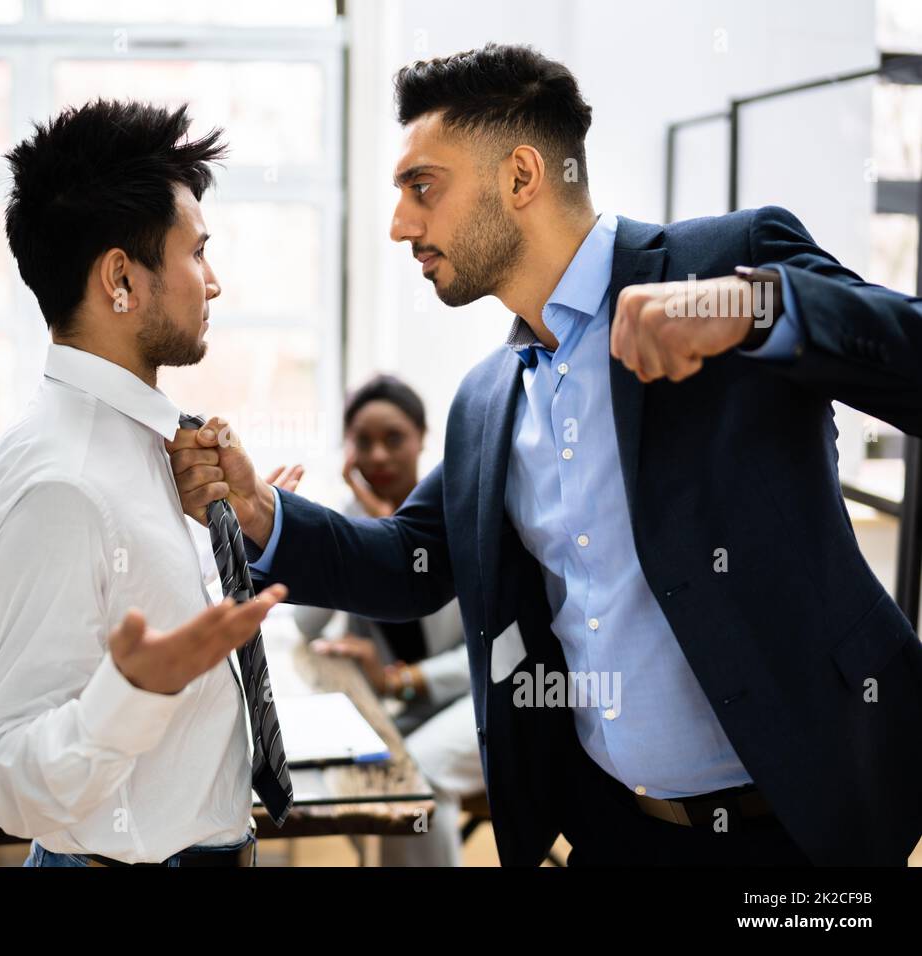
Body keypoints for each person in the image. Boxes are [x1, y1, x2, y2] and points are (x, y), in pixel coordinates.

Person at [169, 43, 922, 866]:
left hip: (808, 827)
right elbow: (409, 564)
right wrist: (257, 509)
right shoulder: (487, 400)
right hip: (615, 830)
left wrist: (750, 305)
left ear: (523, 177)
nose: (399, 225)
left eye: (422, 188)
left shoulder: (727, 263)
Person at [0, 100, 293, 868]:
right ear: (122, 278)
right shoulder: (61, 482)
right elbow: (4, 778)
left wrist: (237, 540)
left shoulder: (159, 447)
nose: (212, 283)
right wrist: (133, 693)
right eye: (197, 254)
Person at [295, 373, 488, 866]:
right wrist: (366, 524)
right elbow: (307, 625)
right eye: (363, 441)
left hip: (487, 698)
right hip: (412, 708)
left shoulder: (460, 513)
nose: (378, 455)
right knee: (371, 766)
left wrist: (401, 679)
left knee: (414, 775)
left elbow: (493, 651)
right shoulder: (354, 518)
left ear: (423, 438)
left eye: (394, 438)